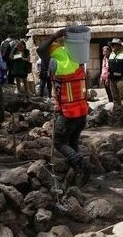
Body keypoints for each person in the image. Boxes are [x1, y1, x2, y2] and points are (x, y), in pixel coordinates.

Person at [37, 28, 91, 186]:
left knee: (59, 142)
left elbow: (41, 49)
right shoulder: (76, 60)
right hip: (82, 110)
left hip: (68, 112)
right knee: (73, 143)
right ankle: (77, 175)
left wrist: (55, 35)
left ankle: (81, 165)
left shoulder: (55, 62)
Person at [108, 38, 123, 114]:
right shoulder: (111, 54)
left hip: (121, 78)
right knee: (115, 95)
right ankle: (117, 110)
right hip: (112, 78)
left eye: (114, 45)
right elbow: (109, 67)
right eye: (112, 45)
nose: (112, 46)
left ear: (119, 46)